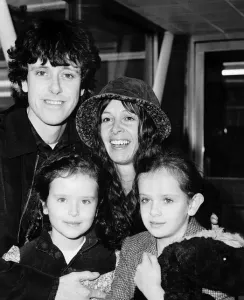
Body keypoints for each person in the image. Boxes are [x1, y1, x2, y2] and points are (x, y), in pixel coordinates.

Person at [0, 19, 103, 300]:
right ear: (22, 81)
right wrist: (50, 290)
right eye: (42, 72)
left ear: (82, 88)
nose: (55, 88)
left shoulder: (89, 151)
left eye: (68, 74)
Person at [76, 76, 219, 250]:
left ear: (147, 128)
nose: (115, 128)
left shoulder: (176, 186)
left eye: (128, 118)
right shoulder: (87, 183)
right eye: (106, 119)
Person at [105, 149, 233, 300]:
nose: (154, 211)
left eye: (167, 200)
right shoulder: (133, 246)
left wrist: (154, 292)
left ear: (192, 204)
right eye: (145, 200)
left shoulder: (214, 254)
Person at [2, 150, 117, 295]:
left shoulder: (117, 263)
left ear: (97, 208)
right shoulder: (16, 261)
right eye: (62, 200)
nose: (74, 211)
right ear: (44, 205)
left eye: (85, 201)